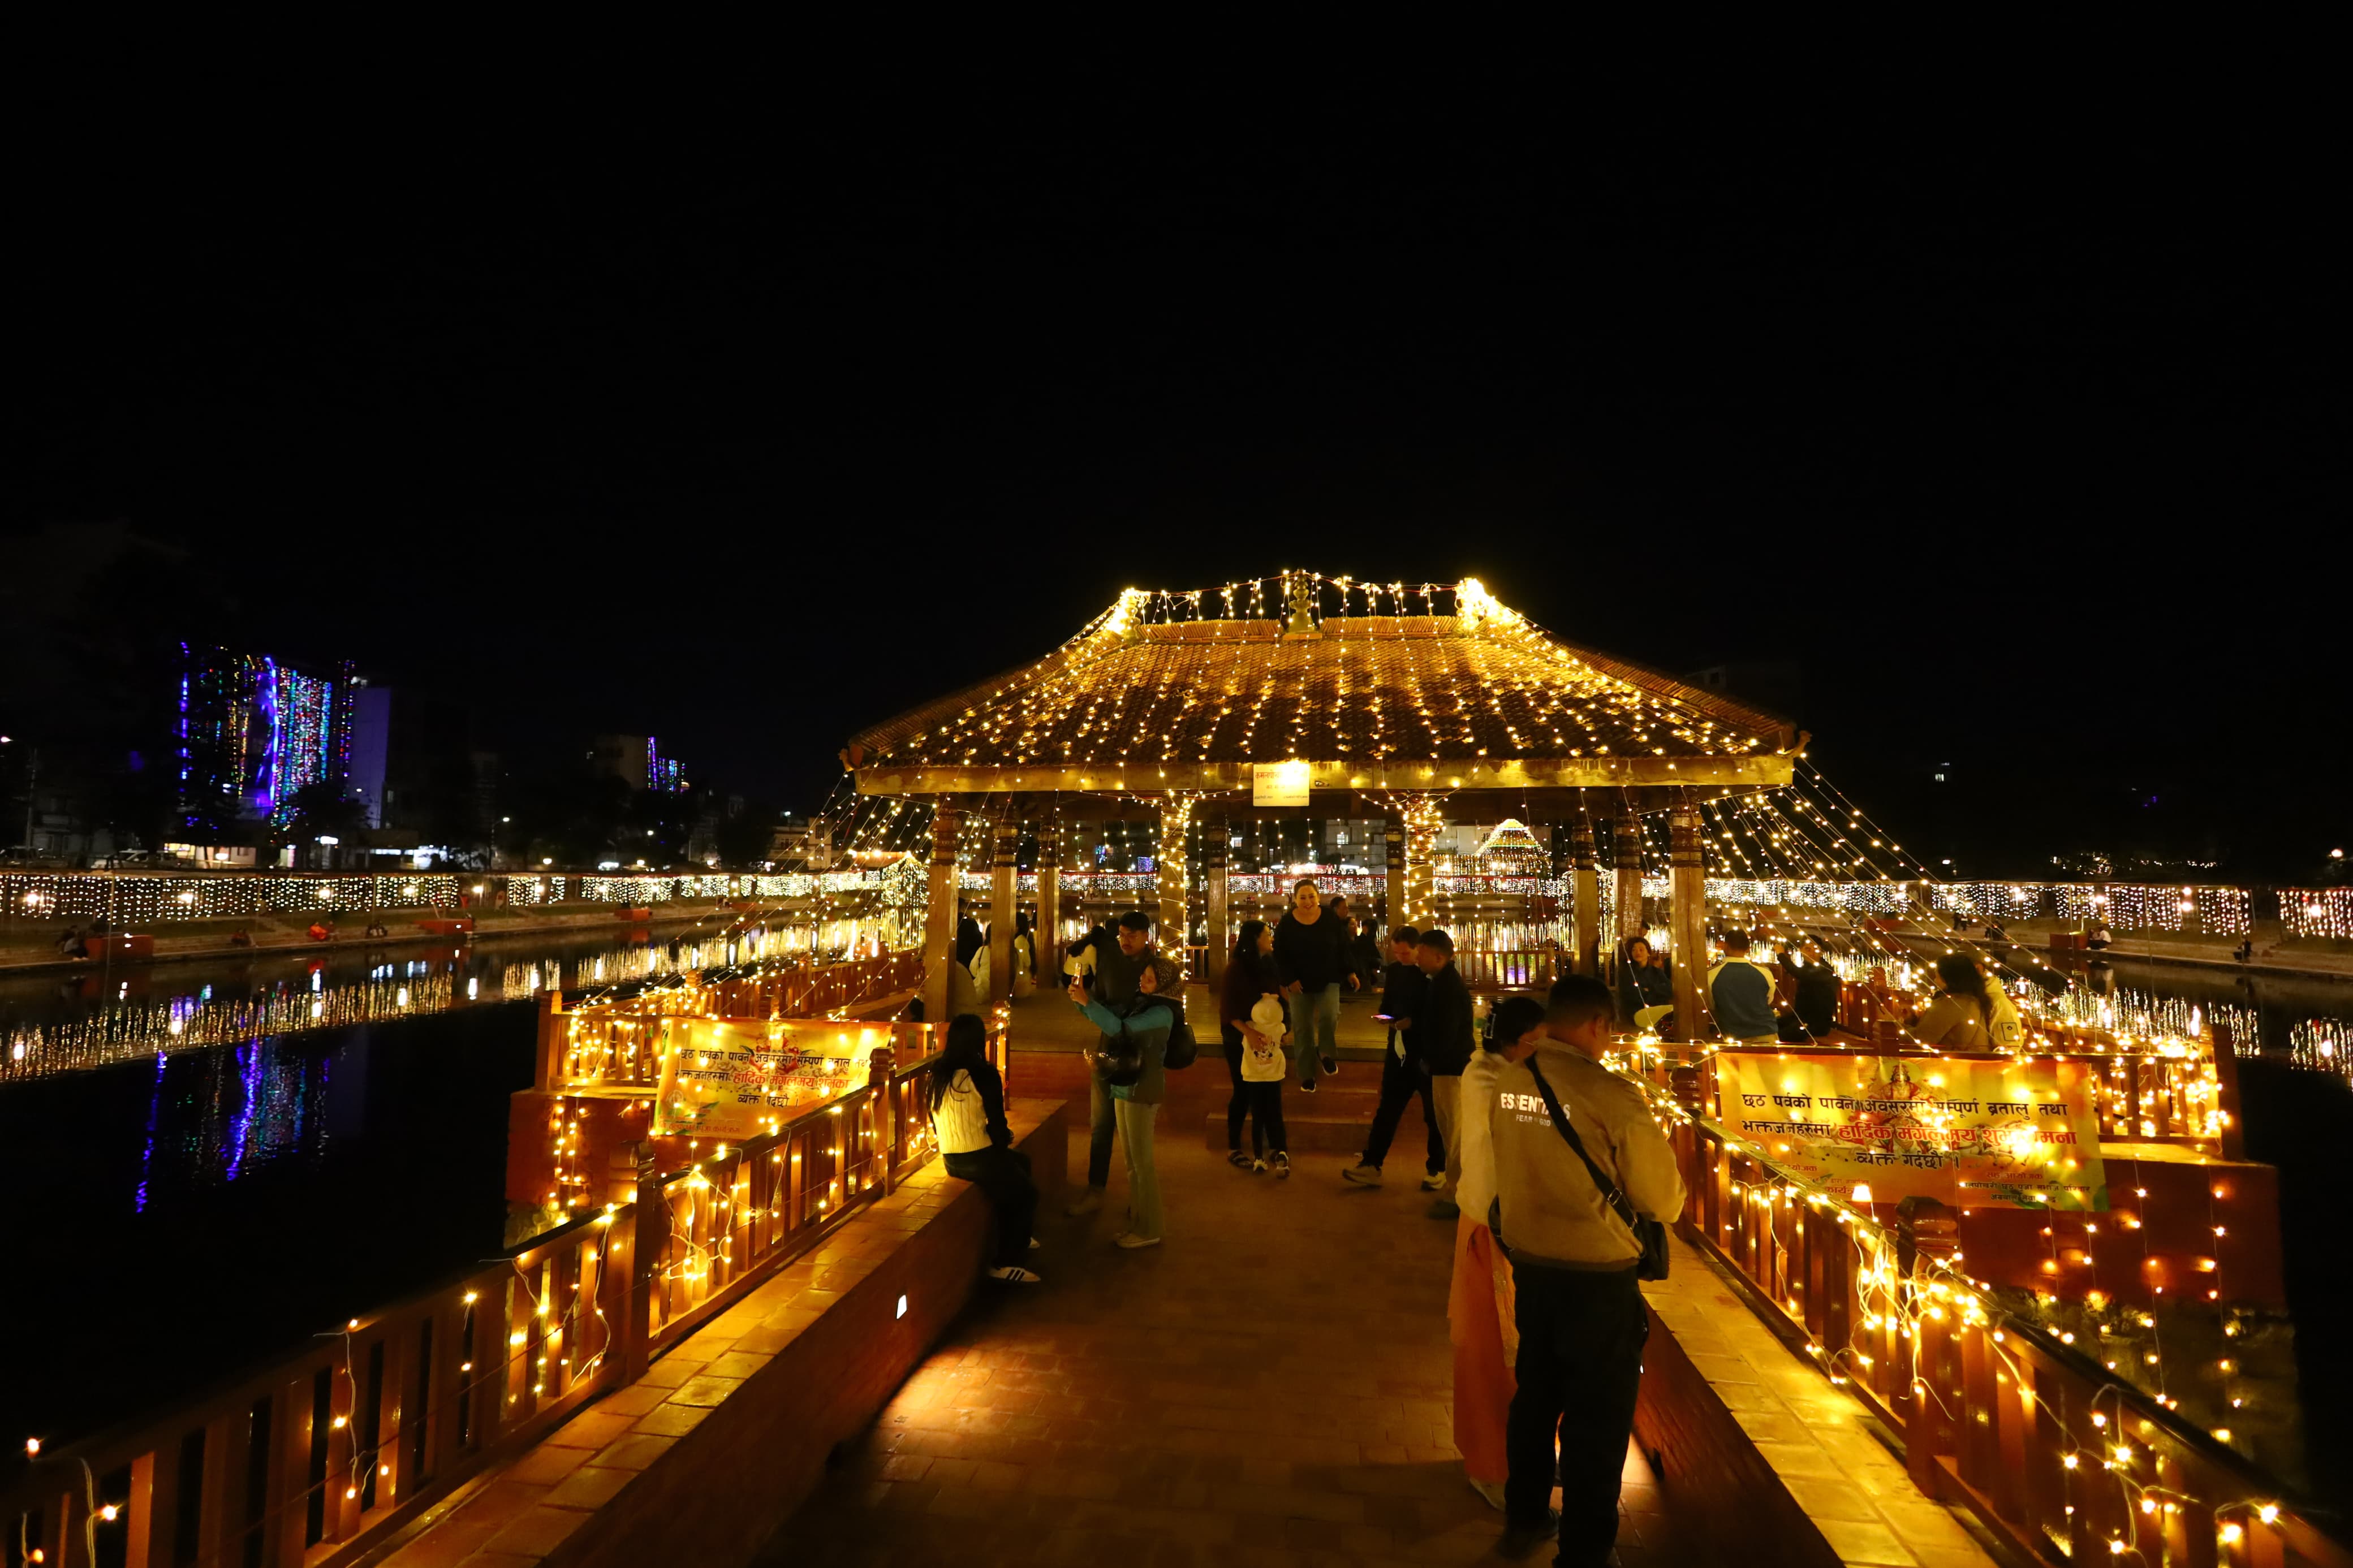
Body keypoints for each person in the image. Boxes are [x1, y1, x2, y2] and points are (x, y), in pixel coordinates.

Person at [1490, 974, 1686, 1564]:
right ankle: (1584, 1547)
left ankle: (1523, 1513)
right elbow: (1661, 1200)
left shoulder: (1508, 1081)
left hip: (1532, 1264)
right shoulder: (1613, 1096)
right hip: (1597, 1275)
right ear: (1599, 1024)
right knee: (1596, 1418)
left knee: (1534, 1394)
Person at [1449, 993, 1547, 1513]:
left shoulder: (1501, 1075)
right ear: (1516, 1041)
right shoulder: (1489, 1079)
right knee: (1492, 1349)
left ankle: (1503, 1459)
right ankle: (1492, 1464)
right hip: (1493, 1224)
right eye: (1539, 1040)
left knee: (1506, 1351)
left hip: (1506, 1222)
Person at [1067, 952, 1180, 1248]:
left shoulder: (1163, 1013)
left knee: (1144, 1163)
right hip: (1124, 1084)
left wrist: (1087, 1003)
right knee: (1132, 1162)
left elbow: (1120, 1028)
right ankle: (1139, 1222)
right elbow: (1112, 1020)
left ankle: (1151, 1227)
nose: (1143, 981)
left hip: (1143, 1089)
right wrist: (1082, 1003)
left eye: (1150, 979)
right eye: (1143, 976)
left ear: (1164, 984)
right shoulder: (1142, 1004)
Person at [927, 1013, 1041, 1283]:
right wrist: (1003, 1140)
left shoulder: (938, 1073)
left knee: (1022, 1164)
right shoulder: (984, 1075)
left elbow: (934, 1118)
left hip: (950, 1156)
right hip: (979, 1156)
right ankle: (1005, 1263)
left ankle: (1020, 1236)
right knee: (1027, 1194)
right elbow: (998, 1125)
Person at [1065, 910, 1157, 1216]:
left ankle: (1141, 1199)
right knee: (1101, 1125)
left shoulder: (1155, 969)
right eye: (1122, 934)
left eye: (1133, 935)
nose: (1126, 941)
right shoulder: (1108, 959)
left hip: (1139, 1055)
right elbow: (1100, 1007)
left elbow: (1131, 1018)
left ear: (1146, 935)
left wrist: (1092, 1006)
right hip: (1108, 1048)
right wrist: (1083, 1002)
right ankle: (1096, 1189)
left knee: (1135, 1134)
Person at [1342, 925, 1446, 1190]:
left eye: (1405, 953)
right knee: (1388, 1109)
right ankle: (1372, 1163)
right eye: (1396, 952)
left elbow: (1437, 1014)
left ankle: (1437, 1167)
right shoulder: (1396, 971)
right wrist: (1388, 1018)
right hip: (1399, 1050)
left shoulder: (1431, 976)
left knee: (1433, 1114)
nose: (1401, 957)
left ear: (1418, 949)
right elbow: (1388, 1004)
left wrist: (1413, 1023)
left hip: (1424, 1053)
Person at [1273, 878, 1358, 1092]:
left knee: (1330, 1014)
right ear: (1295, 899)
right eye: (1303, 897)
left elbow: (1342, 947)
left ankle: (1326, 1052)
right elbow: (1280, 955)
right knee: (1303, 1028)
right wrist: (1289, 979)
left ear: (1319, 898)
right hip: (1298, 982)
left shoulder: (1329, 917)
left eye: (1312, 896)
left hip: (1328, 976)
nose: (1308, 901)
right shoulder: (1287, 923)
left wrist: (1350, 972)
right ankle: (1307, 1074)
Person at [1414, 928, 1476, 1219]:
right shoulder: (1441, 982)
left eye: (1422, 952)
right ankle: (1458, 1191)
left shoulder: (1446, 987)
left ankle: (1458, 1195)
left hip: (1450, 1069)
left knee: (1455, 1135)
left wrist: (1431, 1059)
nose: (1417, 958)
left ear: (1439, 957)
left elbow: (1446, 1032)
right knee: (1451, 1131)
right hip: (1446, 1066)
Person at [1219, 920, 1285, 1167]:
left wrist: (1281, 1027)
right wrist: (1248, 1032)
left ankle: (1272, 1145)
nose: (1271, 938)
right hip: (1240, 1036)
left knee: (1269, 1090)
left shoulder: (1269, 965)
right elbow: (1228, 1009)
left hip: (1266, 1038)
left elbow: (1277, 1000)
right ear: (1255, 938)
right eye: (1267, 934)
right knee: (1243, 1089)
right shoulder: (1236, 968)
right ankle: (1234, 1146)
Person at [1239, 991, 1290, 1175]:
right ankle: (1282, 1152)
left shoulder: (1250, 1027)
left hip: (1253, 1077)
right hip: (1274, 1076)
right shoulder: (1279, 1029)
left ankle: (1258, 1158)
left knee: (1257, 1118)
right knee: (1276, 1114)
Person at [1706, 929, 1781, 1044]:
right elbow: (1768, 1000)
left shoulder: (1712, 974)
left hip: (1734, 1035)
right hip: (1766, 1033)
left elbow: (1711, 1004)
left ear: (1725, 946)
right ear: (1748, 949)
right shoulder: (1765, 973)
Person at [1913, 953, 1994, 1048]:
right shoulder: (1974, 1000)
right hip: (1970, 1060)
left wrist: (1896, 1026)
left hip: (1950, 1061)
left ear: (1948, 978)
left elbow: (1922, 1038)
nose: (1935, 981)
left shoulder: (1950, 1004)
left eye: (1937, 976)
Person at [1775, 938, 1841, 1040]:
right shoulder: (1808, 967)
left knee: (1781, 1036)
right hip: (1800, 1017)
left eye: (1816, 949)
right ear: (1801, 950)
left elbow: (1799, 973)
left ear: (1821, 952)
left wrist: (1781, 955)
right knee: (1771, 1026)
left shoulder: (1825, 970)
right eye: (1808, 949)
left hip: (1817, 1023)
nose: (1812, 953)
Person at [1615, 936, 1673, 1031]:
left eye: (1641, 949)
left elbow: (1670, 990)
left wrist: (1650, 989)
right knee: (1672, 1011)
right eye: (1634, 950)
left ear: (1648, 953)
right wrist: (1657, 993)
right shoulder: (1627, 973)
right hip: (1638, 1013)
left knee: (1675, 1011)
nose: (1638, 952)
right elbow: (1635, 996)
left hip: (1659, 1010)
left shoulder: (1657, 972)